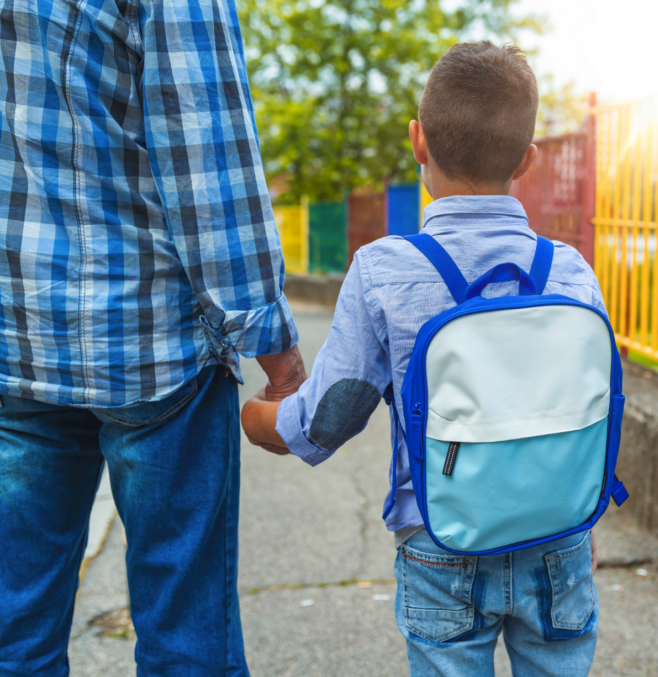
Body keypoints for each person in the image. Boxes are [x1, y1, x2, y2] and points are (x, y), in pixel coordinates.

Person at [241, 42, 604, 677]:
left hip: (442, 542)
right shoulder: (572, 271)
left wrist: (253, 418)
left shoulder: (383, 269)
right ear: (527, 160)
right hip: (561, 541)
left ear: (417, 142)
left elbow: (329, 418)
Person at [0, 1, 304, 675]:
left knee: (13, 633)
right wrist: (279, 357)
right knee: (186, 638)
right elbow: (208, 152)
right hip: (149, 343)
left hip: (14, 339)